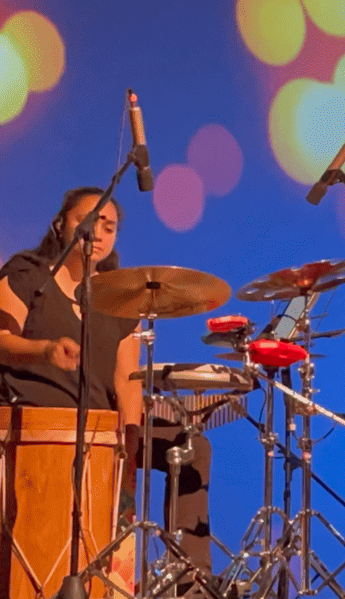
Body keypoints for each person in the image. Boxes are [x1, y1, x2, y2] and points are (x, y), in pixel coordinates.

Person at [0, 187, 215, 577]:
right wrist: (45, 351)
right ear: (61, 224)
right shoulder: (26, 274)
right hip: (40, 420)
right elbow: (1, 340)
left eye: (109, 226)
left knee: (192, 445)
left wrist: (130, 451)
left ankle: (191, 578)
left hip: (102, 429)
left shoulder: (120, 297)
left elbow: (128, 382)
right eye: (87, 220)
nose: (97, 232)